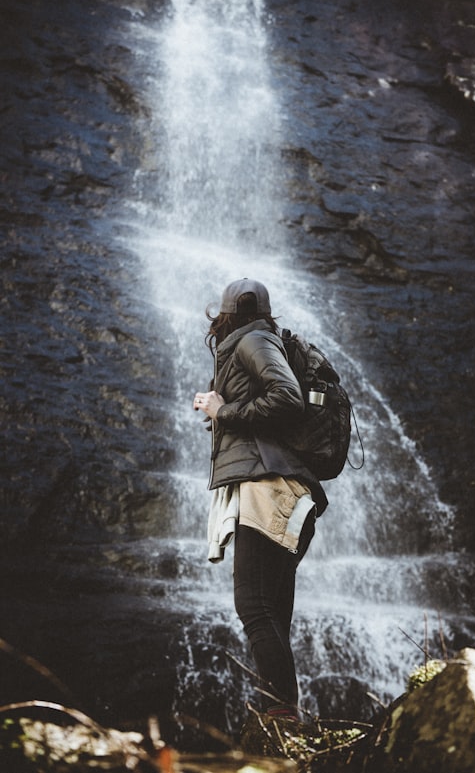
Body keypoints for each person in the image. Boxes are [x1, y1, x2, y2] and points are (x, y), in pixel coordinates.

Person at [193, 278, 328, 721]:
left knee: (252, 603)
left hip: (270, 487)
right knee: (271, 609)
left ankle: (282, 714)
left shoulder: (252, 340)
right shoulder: (260, 341)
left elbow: (286, 396)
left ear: (226, 315)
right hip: (282, 488)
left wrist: (222, 412)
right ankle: (281, 717)